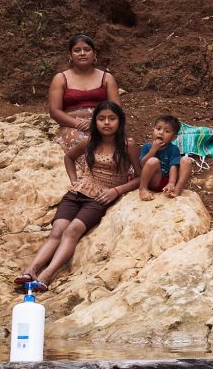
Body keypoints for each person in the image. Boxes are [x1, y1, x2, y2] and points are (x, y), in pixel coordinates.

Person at [14, 102, 141, 291]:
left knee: (72, 231)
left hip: (100, 197)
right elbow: (69, 158)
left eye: (112, 118)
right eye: (101, 118)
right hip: (76, 192)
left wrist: (116, 191)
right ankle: (30, 270)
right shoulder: (90, 141)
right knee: (57, 231)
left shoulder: (128, 146)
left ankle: (47, 275)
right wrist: (74, 180)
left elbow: (140, 177)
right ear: (95, 122)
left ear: (120, 121)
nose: (107, 123)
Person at [49, 34, 123, 154]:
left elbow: (117, 108)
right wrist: (78, 124)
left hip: (105, 124)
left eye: (87, 49)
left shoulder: (107, 78)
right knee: (86, 146)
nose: (82, 53)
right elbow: (54, 111)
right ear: (70, 55)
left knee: (119, 149)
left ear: (94, 54)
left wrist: (95, 123)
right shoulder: (60, 78)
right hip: (72, 126)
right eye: (77, 50)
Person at [138, 114, 194, 200]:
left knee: (186, 160)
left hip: (169, 180)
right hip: (154, 180)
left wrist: (171, 183)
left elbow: (173, 166)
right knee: (153, 161)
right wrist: (153, 150)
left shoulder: (173, 149)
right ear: (153, 129)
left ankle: (177, 189)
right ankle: (143, 189)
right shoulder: (147, 147)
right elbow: (142, 164)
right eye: (158, 129)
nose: (161, 133)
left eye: (167, 131)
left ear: (173, 137)